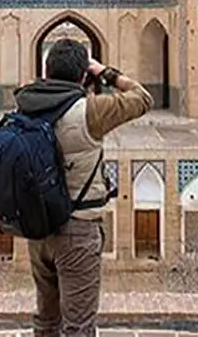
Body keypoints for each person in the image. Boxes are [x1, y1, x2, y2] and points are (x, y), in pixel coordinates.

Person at [13, 38, 153, 337]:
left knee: (46, 319)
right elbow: (142, 98)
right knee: (78, 327)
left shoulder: (24, 108)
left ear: (46, 71)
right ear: (82, 75)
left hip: (38, 231)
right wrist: (106, 73)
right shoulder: (92, 111)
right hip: (77, 230)